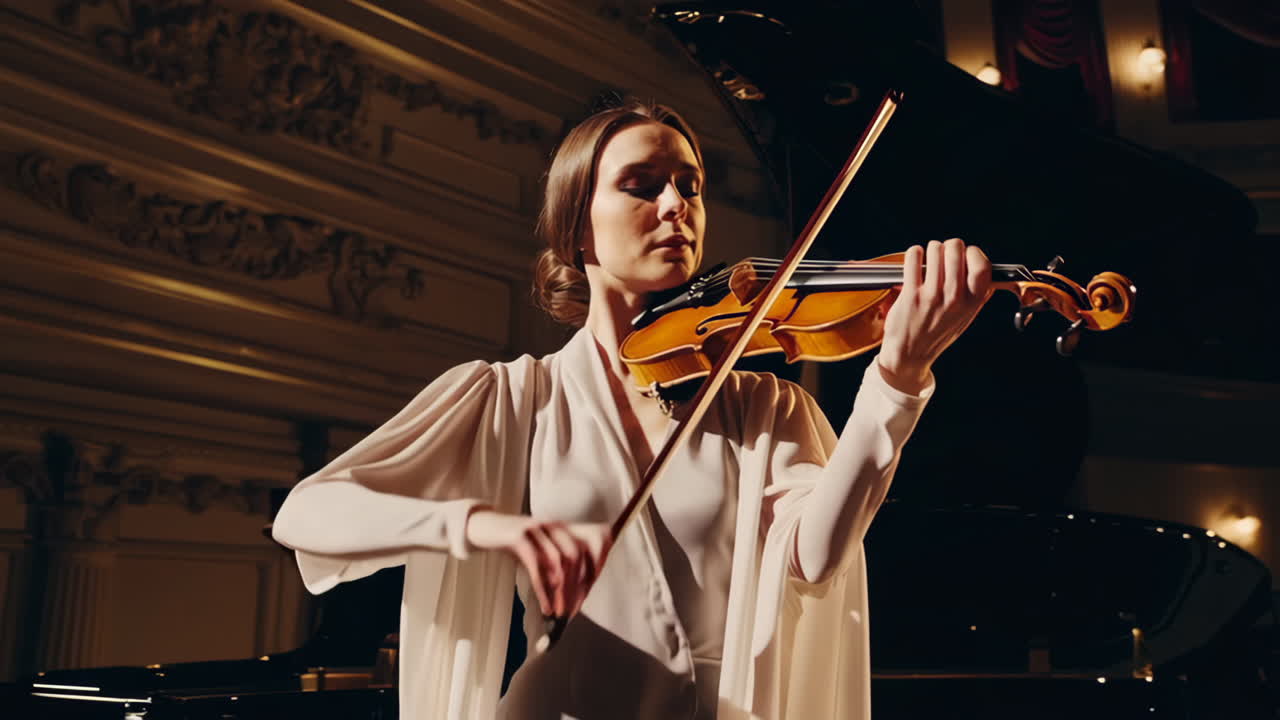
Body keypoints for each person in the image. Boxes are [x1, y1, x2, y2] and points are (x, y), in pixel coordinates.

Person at [270, 100, 992, 719]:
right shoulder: (514, 398)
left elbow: (815, 558)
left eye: (690, 186)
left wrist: (898, 378)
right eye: (642, 187)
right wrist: (479, 523)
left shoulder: (761, 404)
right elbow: (307, 515)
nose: (676, 206)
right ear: (577, 228)